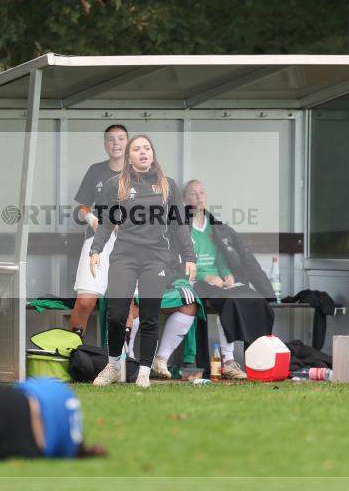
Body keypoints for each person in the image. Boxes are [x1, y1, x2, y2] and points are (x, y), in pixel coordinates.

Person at [89, 134, 197, 388]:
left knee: (149, 316)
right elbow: (107, 223)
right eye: (137, 149)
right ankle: (114, 364)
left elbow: (180, 225)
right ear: (129, 156)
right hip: (124, 256)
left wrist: (189, 257)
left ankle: (145, 372)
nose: (143, 152)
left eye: (147, 148)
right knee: (116, 315)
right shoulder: (116, 184)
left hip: (155, 258)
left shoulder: (167, 184)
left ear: (152, 153)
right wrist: (95, 250)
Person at [174, 179, 278, 379]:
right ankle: (228, 362)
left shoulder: (217, 228)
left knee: (257, 301)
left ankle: (260, 362)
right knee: (229, 302)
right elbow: (180, 262)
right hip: (196, 282)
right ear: (184, 200)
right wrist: (208, 276)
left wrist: (226, 274)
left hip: (220, 282)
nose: (199, 196)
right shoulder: (180, 228)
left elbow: (224, 258)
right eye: (193, 193)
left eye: (202, 192)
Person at [70, 124, 138, 341]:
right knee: (85, 301)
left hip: (129, 245)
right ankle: (71, 356)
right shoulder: (95, 171)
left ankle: (120, 360)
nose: (116, 143)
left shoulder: (141, 173)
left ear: (127, 143)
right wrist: (92, 220)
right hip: (97, 243)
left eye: (120, 139)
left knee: (126, 304)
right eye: (111, 139)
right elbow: (81, 208)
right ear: (105, 144)